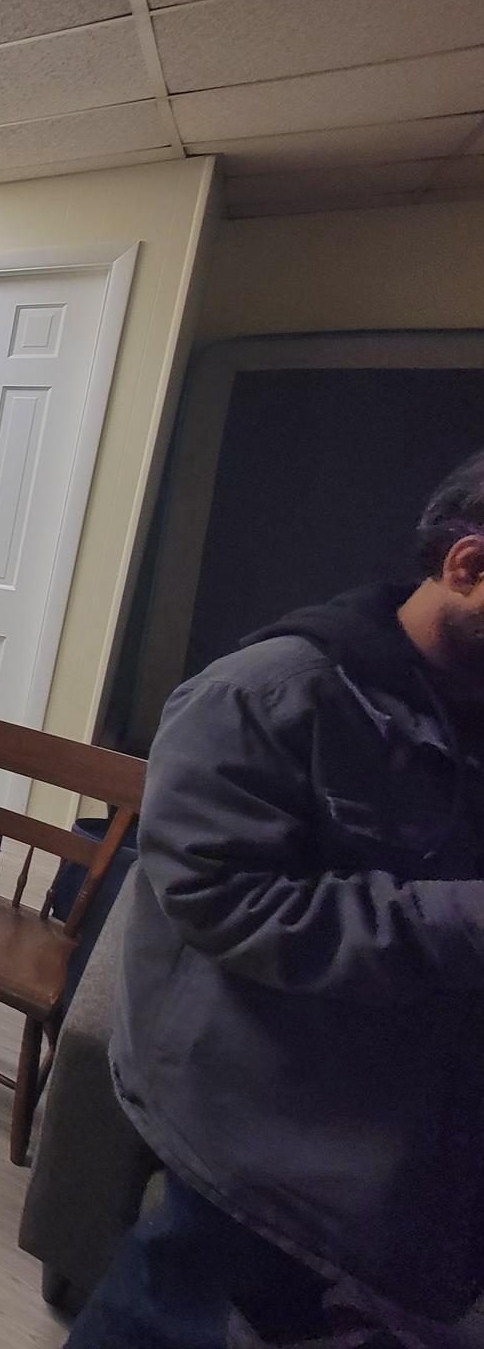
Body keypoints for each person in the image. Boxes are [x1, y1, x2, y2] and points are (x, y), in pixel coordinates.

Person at [68, 450, 484, 1348]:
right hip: (259, 1151)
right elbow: (227, 901)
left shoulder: (455, 706)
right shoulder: (264, 695)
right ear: (469, 566)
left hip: (393, 1144)